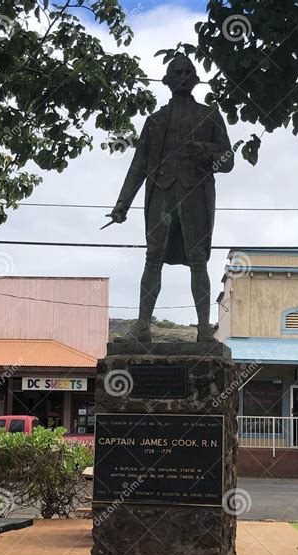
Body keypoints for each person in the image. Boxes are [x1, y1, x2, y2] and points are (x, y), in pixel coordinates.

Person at [107, 54, 234, 343]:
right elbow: (138, 164)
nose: (182, 75)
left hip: (195, 195)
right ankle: (142, 326)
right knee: (152, 258)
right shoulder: (155, 121)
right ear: (166, 81)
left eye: (188, 71)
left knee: (198, 259)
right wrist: (122, 203)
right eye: (176, 72)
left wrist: (202, 150)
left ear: (196, 79)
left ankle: (204, 329)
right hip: (161, 194)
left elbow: (227, 160)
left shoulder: (210, 115)